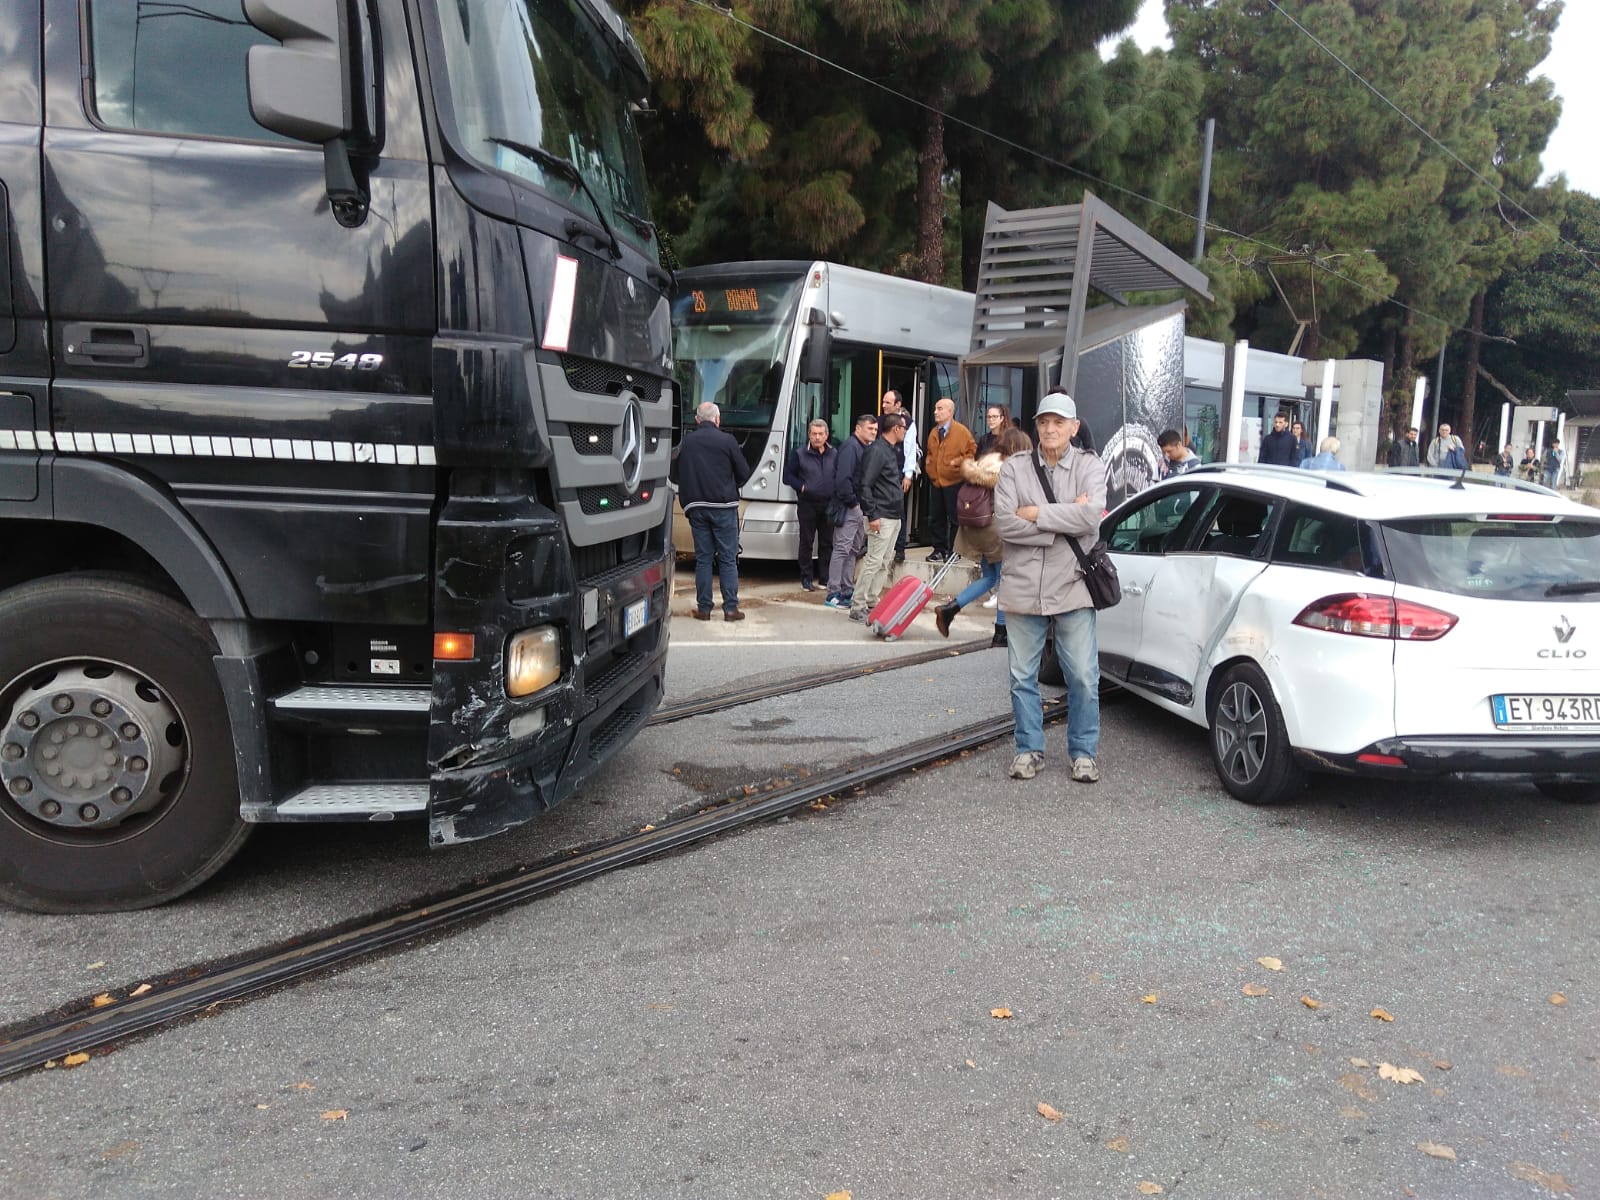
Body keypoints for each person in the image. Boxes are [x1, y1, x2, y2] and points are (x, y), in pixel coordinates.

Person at [994, 391, 1107, 784]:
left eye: (1059, 422)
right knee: (1022, 676)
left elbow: (1092, 516)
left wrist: (1037, 514)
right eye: (1044, 422)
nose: (1050, 429)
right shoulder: (1014, 469)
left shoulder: (1091, 466)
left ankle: (1084, 752)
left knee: (1082, 676)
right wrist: (1063, 520)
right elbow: (1005, 524)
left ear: (1074, 428)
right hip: (1023, 587)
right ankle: (1029, 750)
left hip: (1073, 584)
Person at [934, 426, 1032, 647]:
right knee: (1005, 581)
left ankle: (951, 609)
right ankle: (1001, 632)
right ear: (1018, 447)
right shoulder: (1010, 468)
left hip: (977, 530)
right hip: (996, 531)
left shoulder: (986, 461)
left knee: (990, 577)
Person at [677, 401, 754, 621]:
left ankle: (704, 609)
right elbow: (743, 471)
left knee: (703, 559)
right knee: (728, 559)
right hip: (723, 507)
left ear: (697, 420)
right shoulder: (727, 440)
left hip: (697, 507)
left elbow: (677, 471)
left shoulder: (687, 442)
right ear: (717, 419)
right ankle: (730, 609)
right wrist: (732, 485)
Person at [849, 412, 907, 624]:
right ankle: (858, 604)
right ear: (896, 429)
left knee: (883, 561)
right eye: (903, 428)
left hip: (892, 514)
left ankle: (872, 600)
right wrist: (872, 513)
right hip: (881, 515)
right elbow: (865, 484)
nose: (905, 431)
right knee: (873, 561)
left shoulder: (890, 450)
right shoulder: (877, 451)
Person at [824, 413, 877, 608]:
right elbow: (843, 479)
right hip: (849, 507)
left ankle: (846, 589)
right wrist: (854, 503)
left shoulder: (863, 448)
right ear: (858, 428)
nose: (873, 432)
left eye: (875, 430)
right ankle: (833, 593)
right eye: (870, 429)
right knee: (841, 549)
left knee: (853, 550)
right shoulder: (850, 447)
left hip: (858, 507)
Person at [781, 418, 836, 592]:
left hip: (828, 504)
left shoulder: (834, 453)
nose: (817, 437)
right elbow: (787, 476)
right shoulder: (799, 454)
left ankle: (824, 578)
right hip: (807, 504)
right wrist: (802, 487)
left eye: (821, 434)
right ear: (809, 435)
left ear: (826, 435)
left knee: (827, 542)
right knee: (807, 541)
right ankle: (806, 578)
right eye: (814, 434)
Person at [924, 397, 976, 562]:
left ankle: (954, 551)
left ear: (950, 412)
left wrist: (958, 463)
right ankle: (938, 549)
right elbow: (931, 454)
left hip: (954, 481)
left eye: (940, 409)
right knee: (936, 516)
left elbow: (971, 452)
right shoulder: (934, 432)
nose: (935, 412)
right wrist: (930, 467)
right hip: (937, 481)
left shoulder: (961, 432)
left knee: (954, 517)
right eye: (935, 408)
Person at [880, 390, 919, 564]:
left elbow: (910, 451)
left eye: (887, 403)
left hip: (898, 471)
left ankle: (900, 548)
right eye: (883, 402)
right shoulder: (879, 421)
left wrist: (908, 475)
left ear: (897, 404)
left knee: (898, 509)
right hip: (881, 471)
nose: (883, 406)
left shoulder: (909, 424)